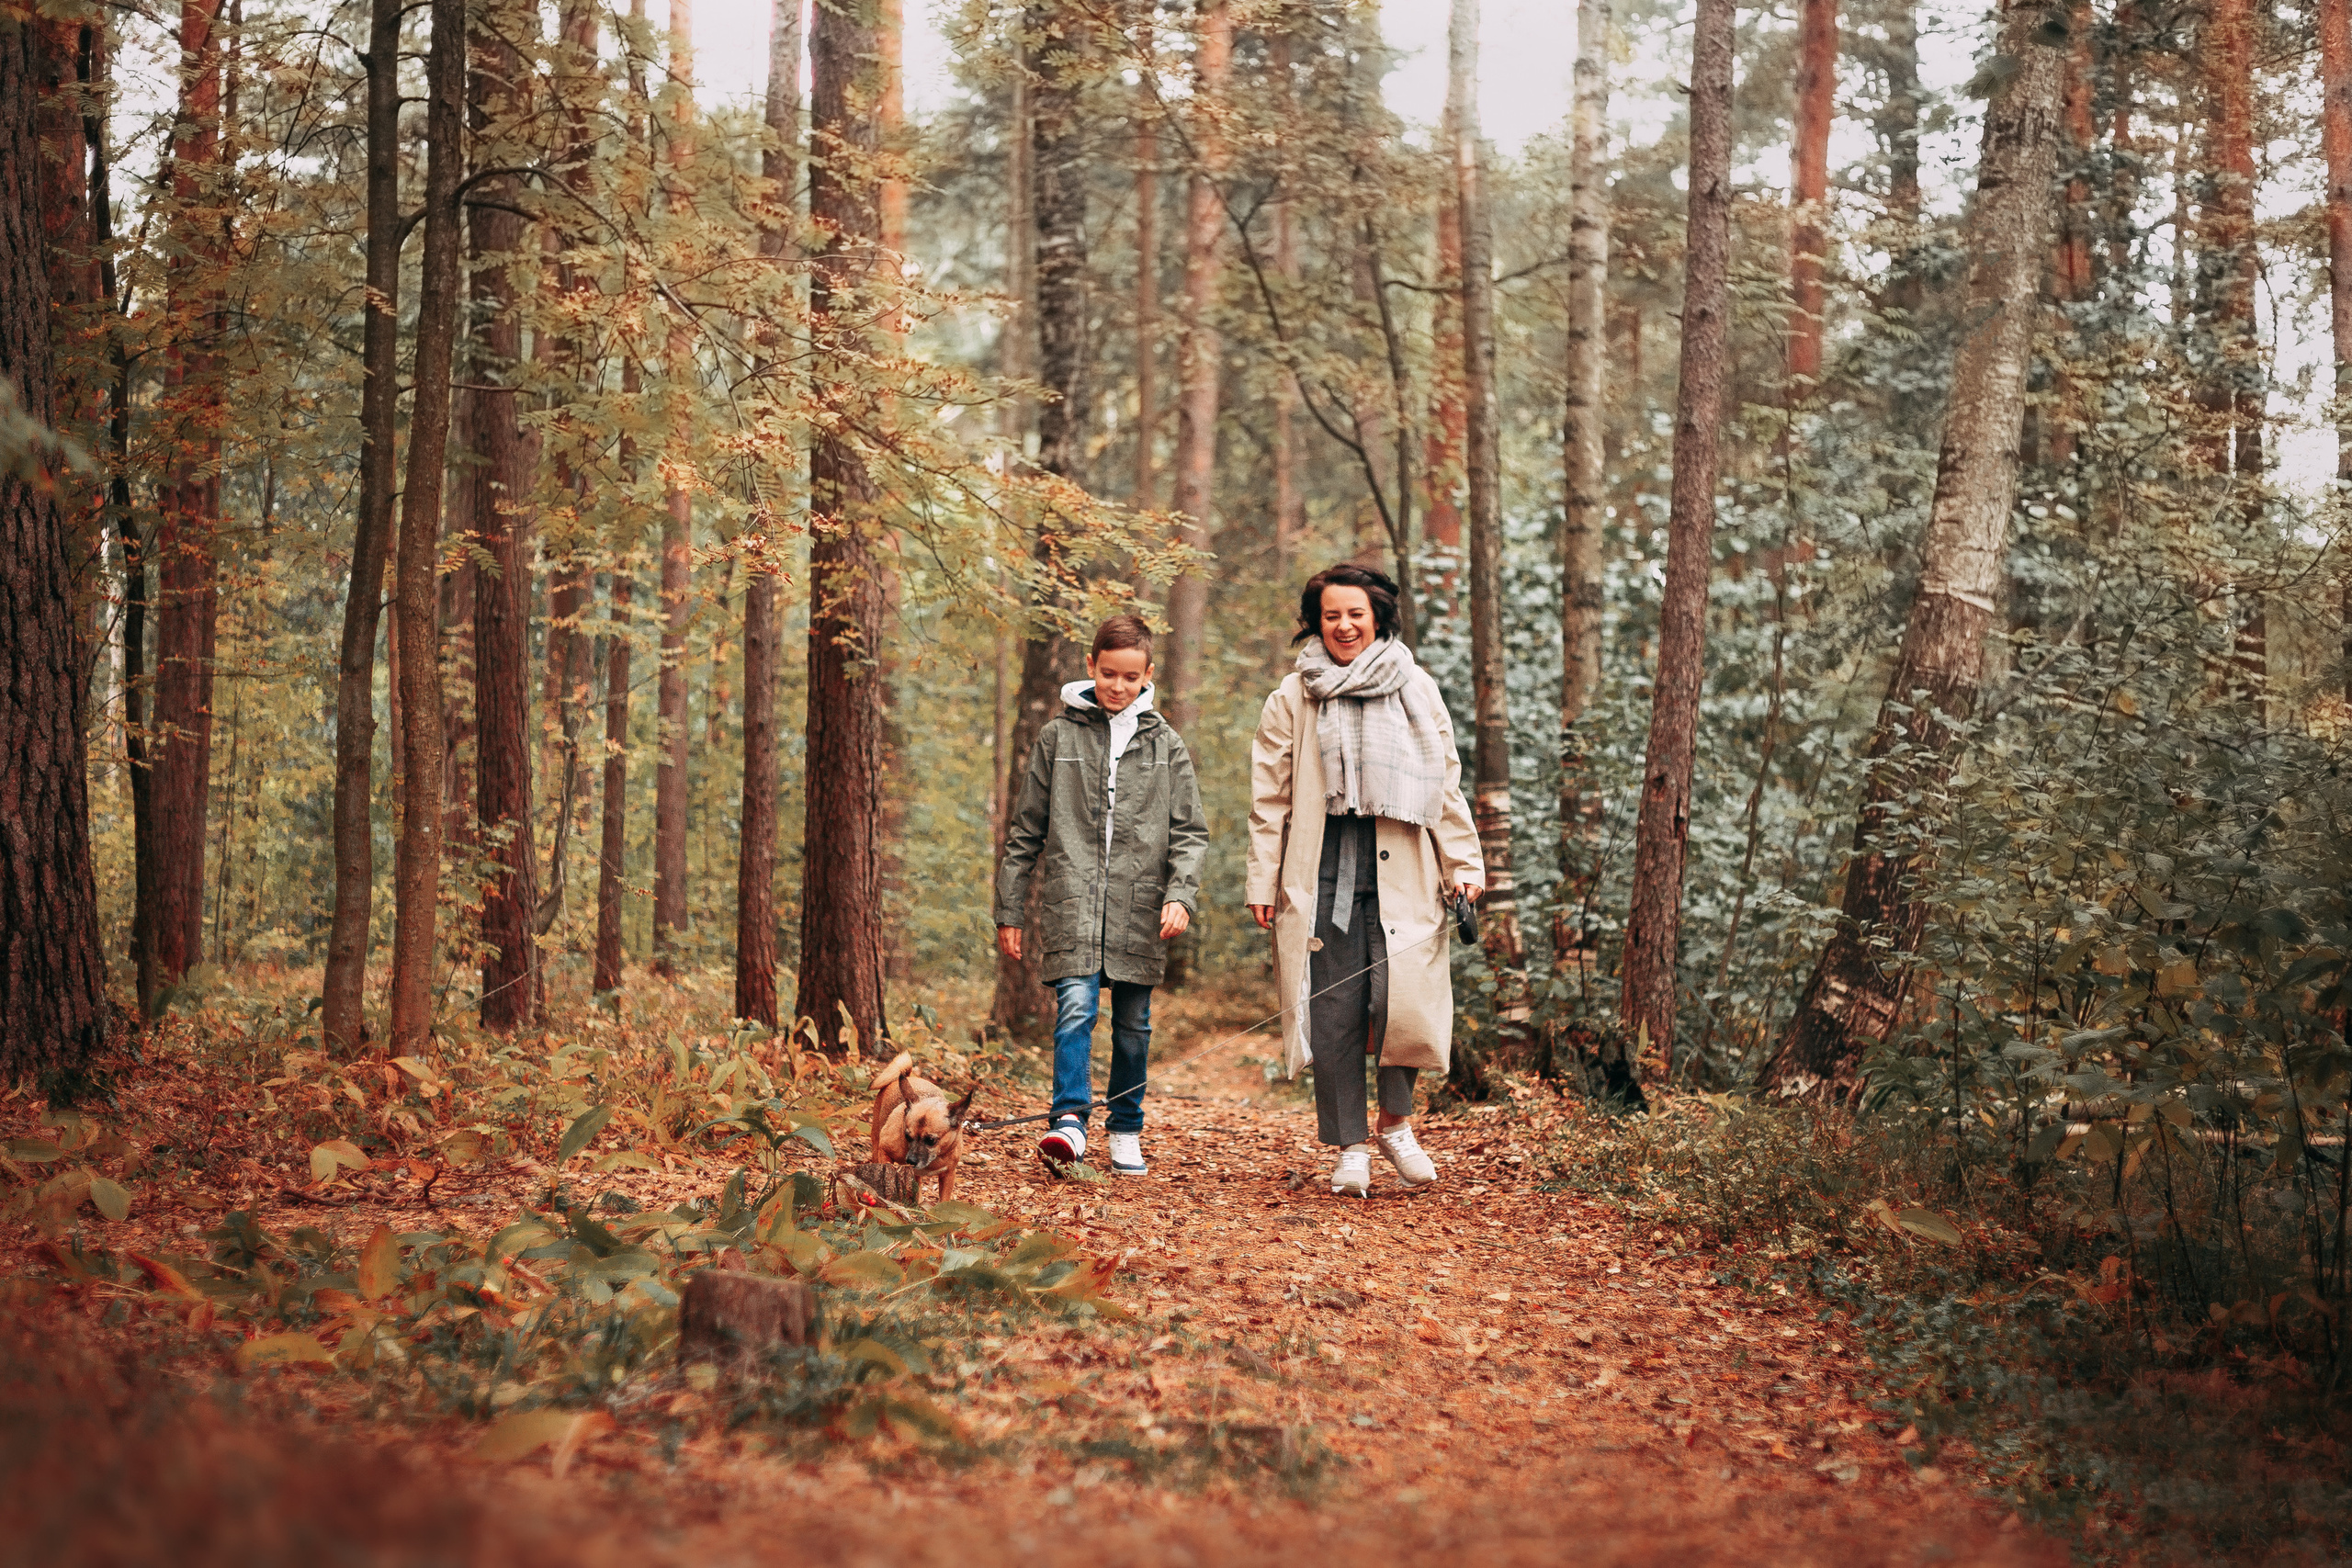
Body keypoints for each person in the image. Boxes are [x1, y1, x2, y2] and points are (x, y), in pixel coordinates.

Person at [1246, 564, 1483, 1197]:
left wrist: (1464, 865)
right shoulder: (1292, 696)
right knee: (1334, 1012)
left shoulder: (1417, 687)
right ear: (1315, 622)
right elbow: (1269, 800)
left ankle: (1395, 1125)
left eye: (1356, 613)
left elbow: (1446, 784)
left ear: (1378, 616)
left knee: (1402, 1000)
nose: (1345, 626)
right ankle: (1349, 1145)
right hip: (1321, 868)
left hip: (1405, 864)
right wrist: (1262, 880)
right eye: (1332, 615)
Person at [995, 615, 1207, 1177]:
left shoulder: (1166, 744)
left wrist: (1180, 894)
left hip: (1143, 909)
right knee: (1075, 1010)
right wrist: (1010, 908)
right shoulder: (1057, 738)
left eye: (1130, 677)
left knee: (1134, 1026)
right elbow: (1026, 831)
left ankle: (1126, 1128)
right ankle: (1068, 1122)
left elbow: (1190, 832)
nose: (1118, 685)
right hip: (1073, 904)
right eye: (1108, 673)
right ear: (1091, 666)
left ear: (1148, 675)